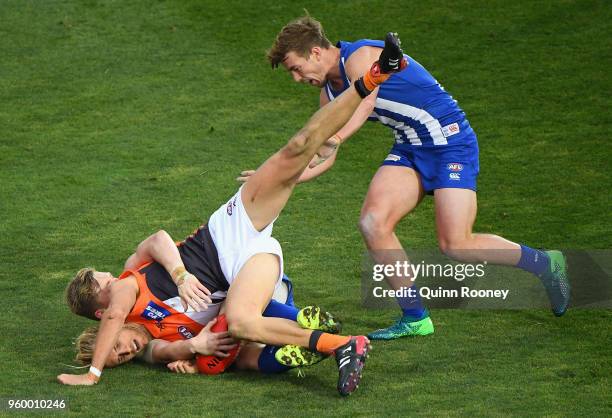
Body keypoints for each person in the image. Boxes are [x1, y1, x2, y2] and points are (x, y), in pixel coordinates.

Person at [56, 33, 408, 396]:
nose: (113, 278)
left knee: (300, 147)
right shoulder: (142, 336)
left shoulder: (129, 283)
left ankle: (375, 75)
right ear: (98, 310)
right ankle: (344, 344)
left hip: (229, 230)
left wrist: (94, 373)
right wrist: (191, 359)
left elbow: (158, 240)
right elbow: (165, 346)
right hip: (248, 265)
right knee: (241, 323)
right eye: (105, 282)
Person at [263, 15, 570, 340]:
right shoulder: (328, 92)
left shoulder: (362, 56)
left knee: (457, 245)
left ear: (314, 52)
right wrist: (281, 177)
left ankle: (545, 263)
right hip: (410, 147)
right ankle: (415, 317)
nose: (296, 79)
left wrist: (336, 139)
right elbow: (321, 151)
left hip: (451, 142)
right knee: (373, 223)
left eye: (295, 68)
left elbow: (365, 102)